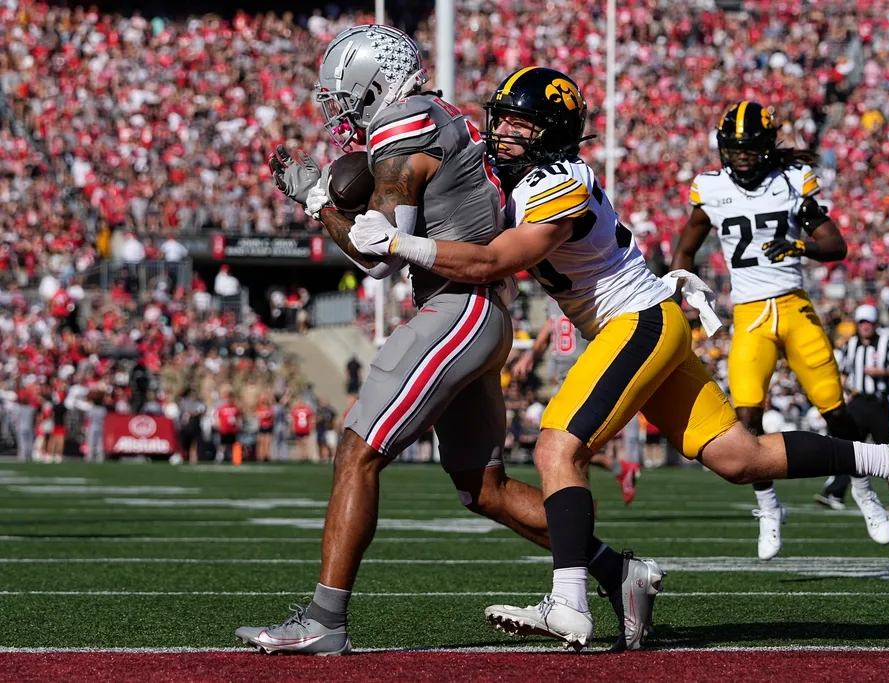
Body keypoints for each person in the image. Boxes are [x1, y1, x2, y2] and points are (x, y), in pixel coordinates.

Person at [349, 67, 889, 650]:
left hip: (636, 321)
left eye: (521, 125)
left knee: (559, 446)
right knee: (741, 458)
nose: (504, 133)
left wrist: (401, 242)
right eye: (501, 120)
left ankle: (570, 603)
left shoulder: (560, 180)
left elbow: (493, 262)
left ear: (552, 133)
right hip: (641, 322)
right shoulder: (521, 174)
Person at [237, 27, 654, 656]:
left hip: (457, 309)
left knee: (357, 450)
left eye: (345, 94)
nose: (340, 107)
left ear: (375, 84)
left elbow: (375, 256)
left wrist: (319, 200)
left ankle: (324, 622)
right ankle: (618, 574)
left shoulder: (400, 133)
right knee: (479, 487)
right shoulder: (435, 114)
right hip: (481, 315)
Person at [670, 101, 889, 559]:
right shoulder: (710, 189)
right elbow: (685, 247)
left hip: (793, 308)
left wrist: (798, 244)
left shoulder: (791, 183)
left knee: (835, 413)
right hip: (750, 315)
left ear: (767, 148)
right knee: (746, 420)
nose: (742, 158)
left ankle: (863, 488)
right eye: (735, 150)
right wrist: (681, 290)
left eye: (750, 150)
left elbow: (836, 245)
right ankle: (769, 507)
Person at [513, 297, 641, 504]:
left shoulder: (581, 289)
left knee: (566, 445)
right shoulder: (550, 297)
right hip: (563, 376)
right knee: (569, 446)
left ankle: (596, 489)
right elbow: (551, 326)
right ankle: (599, 488)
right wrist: (531, 355)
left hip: (582, 372)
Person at [817, 305, 889, 513]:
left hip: (878, 403)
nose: (865, 326)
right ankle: (835, 493)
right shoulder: (852, 344)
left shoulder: (886, 343)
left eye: (868, 322)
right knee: (848, 449)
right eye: (862, 323)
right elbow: (844, 372)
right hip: (856, 403)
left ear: (875, 324)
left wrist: (882, 372)